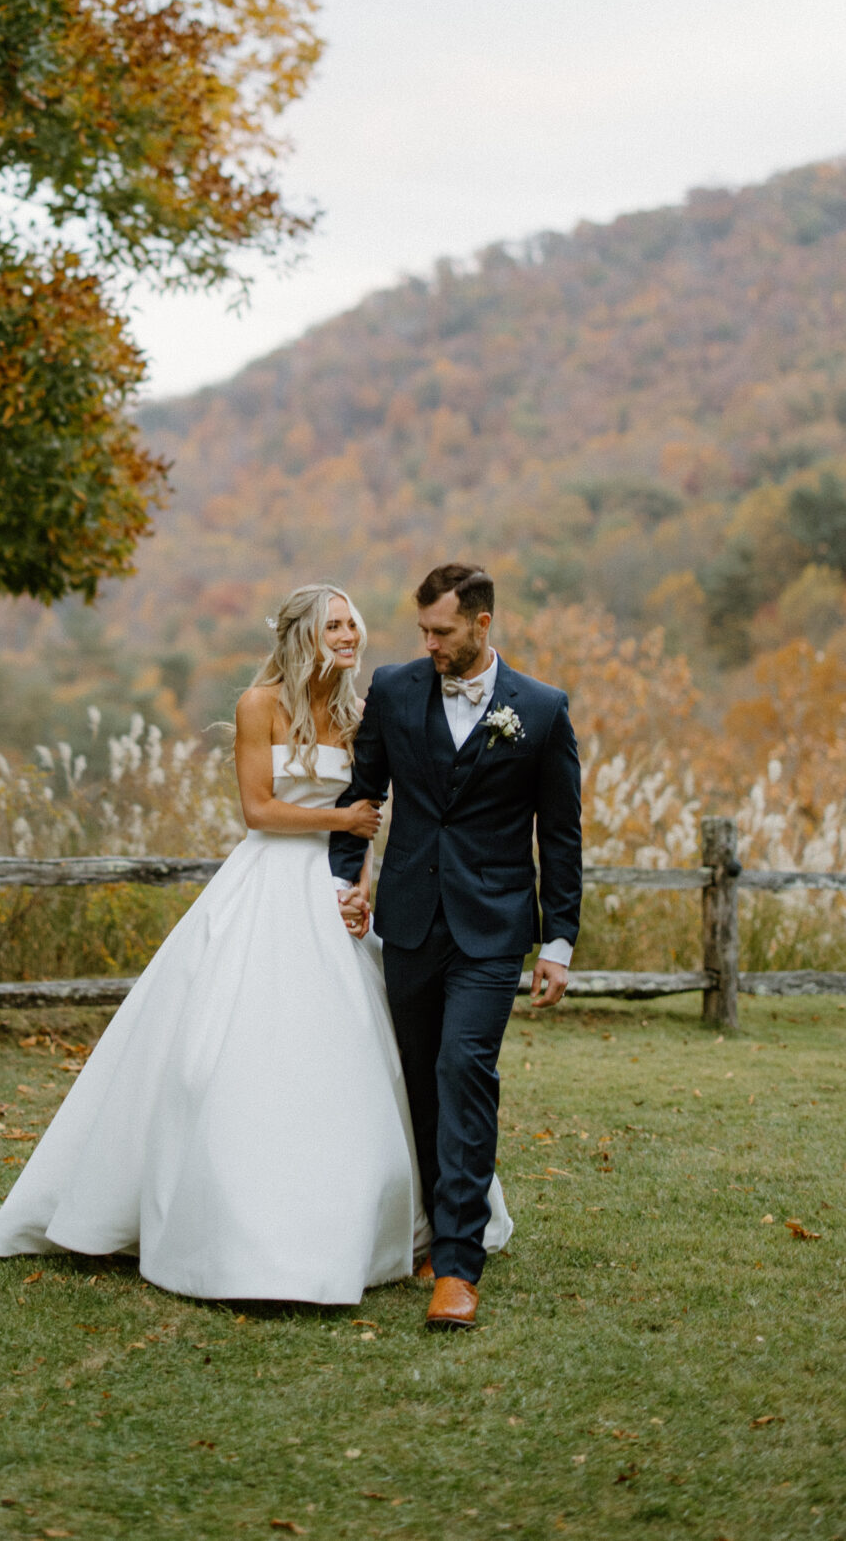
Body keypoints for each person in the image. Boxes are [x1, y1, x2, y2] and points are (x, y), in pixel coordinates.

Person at [0, 582, 511, 1303]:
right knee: (226, 1051)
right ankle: (219, 1218)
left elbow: (380, 807)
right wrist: (340, 825)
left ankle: (392, 1219)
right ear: (299, 635)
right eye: (334, 626)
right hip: (267, 881)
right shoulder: (257, 706)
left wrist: (358, 885)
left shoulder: (359, 712)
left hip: (330, 892)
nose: (350, 636)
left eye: (354, 625)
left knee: (357, 1050)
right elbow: (258, 810)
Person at [332, 563, 582, 1332]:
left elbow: (561, 834)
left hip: (492, 926)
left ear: (480, 624)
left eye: (441, 631)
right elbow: (359, 797)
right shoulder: (395, 689)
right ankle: (434, 1236)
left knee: (462, 1067)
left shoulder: (539, 711)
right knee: (417, 1080)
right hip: (405, 919)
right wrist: (342, 884)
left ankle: (458, 1268)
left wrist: (559, 940)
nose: (428, 643)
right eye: (422, 631)